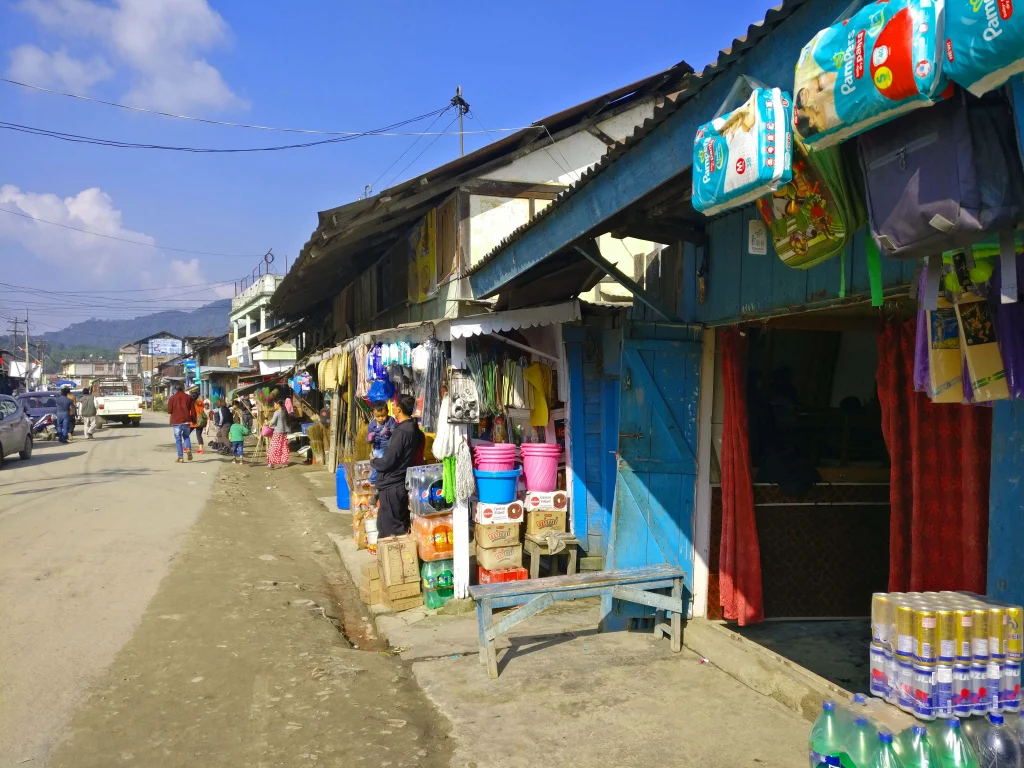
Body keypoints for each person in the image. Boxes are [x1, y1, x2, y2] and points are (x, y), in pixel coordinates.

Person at [371, 394, 424, 537]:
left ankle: (396, 558)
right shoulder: (414, 430)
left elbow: (387, 461)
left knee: (391, 529)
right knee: (388, 524)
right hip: (399, 481)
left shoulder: (402, 431)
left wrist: (373, 461)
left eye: (394, 405)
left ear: (399, 409)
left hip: (392, 484)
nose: (392, 407)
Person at [366, 401, 396, 484]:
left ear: (387, 412)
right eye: (378, 416)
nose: (381, 418)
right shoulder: (372, 425)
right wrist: (370, 438)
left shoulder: (391, 420)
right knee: (378, 465)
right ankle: (373, 480)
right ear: (373, 414)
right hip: (378, 448)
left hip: (389, 447)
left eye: (383, 415)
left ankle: (383, 480)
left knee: (387, 464)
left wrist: (389, 432)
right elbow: (368, 441)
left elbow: (396, 432)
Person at [167, 385, 195, 462]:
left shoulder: (172, 398)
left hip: (176, 421)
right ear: (183, 388)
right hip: (186, 420)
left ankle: (180, 457)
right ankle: (188, 448)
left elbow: (169, 411)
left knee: (178, 439)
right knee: (186, 436)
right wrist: (194, 420)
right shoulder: (189, 397)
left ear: (176, 389)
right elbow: (192, 410)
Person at [267, 399, 290, 469]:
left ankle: (271, 463)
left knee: (274, 447)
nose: (274, 405)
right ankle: (284, 463)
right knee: (283, 446)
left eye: (274, 404)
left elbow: (273, 421)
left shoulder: (276, 412)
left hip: (277, 432)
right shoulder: (284, 411)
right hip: (284, 432)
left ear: (278, 404)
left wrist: (268, 425)